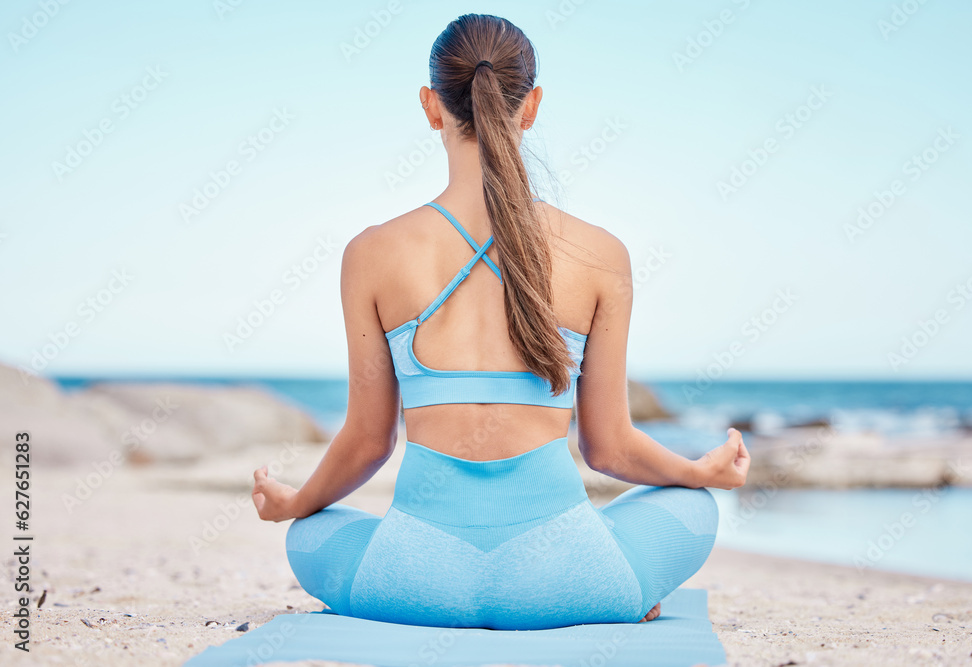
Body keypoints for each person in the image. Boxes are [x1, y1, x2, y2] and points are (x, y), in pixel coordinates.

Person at [251, 13, 750, 631]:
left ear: (432, 107)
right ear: (531, 105)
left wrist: (296, 502)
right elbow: (608, 448)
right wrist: (696, 471)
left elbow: (367, 442)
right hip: (569, 582)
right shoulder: (599, 253)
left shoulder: (372, 253)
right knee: (695, 509)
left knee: (310, 534)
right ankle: (616, 594)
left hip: (413, 586)